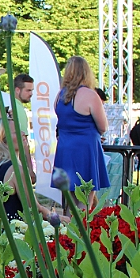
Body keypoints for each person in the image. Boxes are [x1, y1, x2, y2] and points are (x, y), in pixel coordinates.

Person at [0, 121, 65, 227]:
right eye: (16, 132)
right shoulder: (15, 170)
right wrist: (59, 218)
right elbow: (34, 209)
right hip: (8, 235)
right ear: (3, 141)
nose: (23, 133)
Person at [51, 56, 109, 208]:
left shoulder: (59, 96)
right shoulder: (90, 95)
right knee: (85, 201)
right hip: (85, 150)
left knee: (69, 202)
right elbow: (103, 127)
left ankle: (68, 229)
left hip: (65, 149)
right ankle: (82, 230)